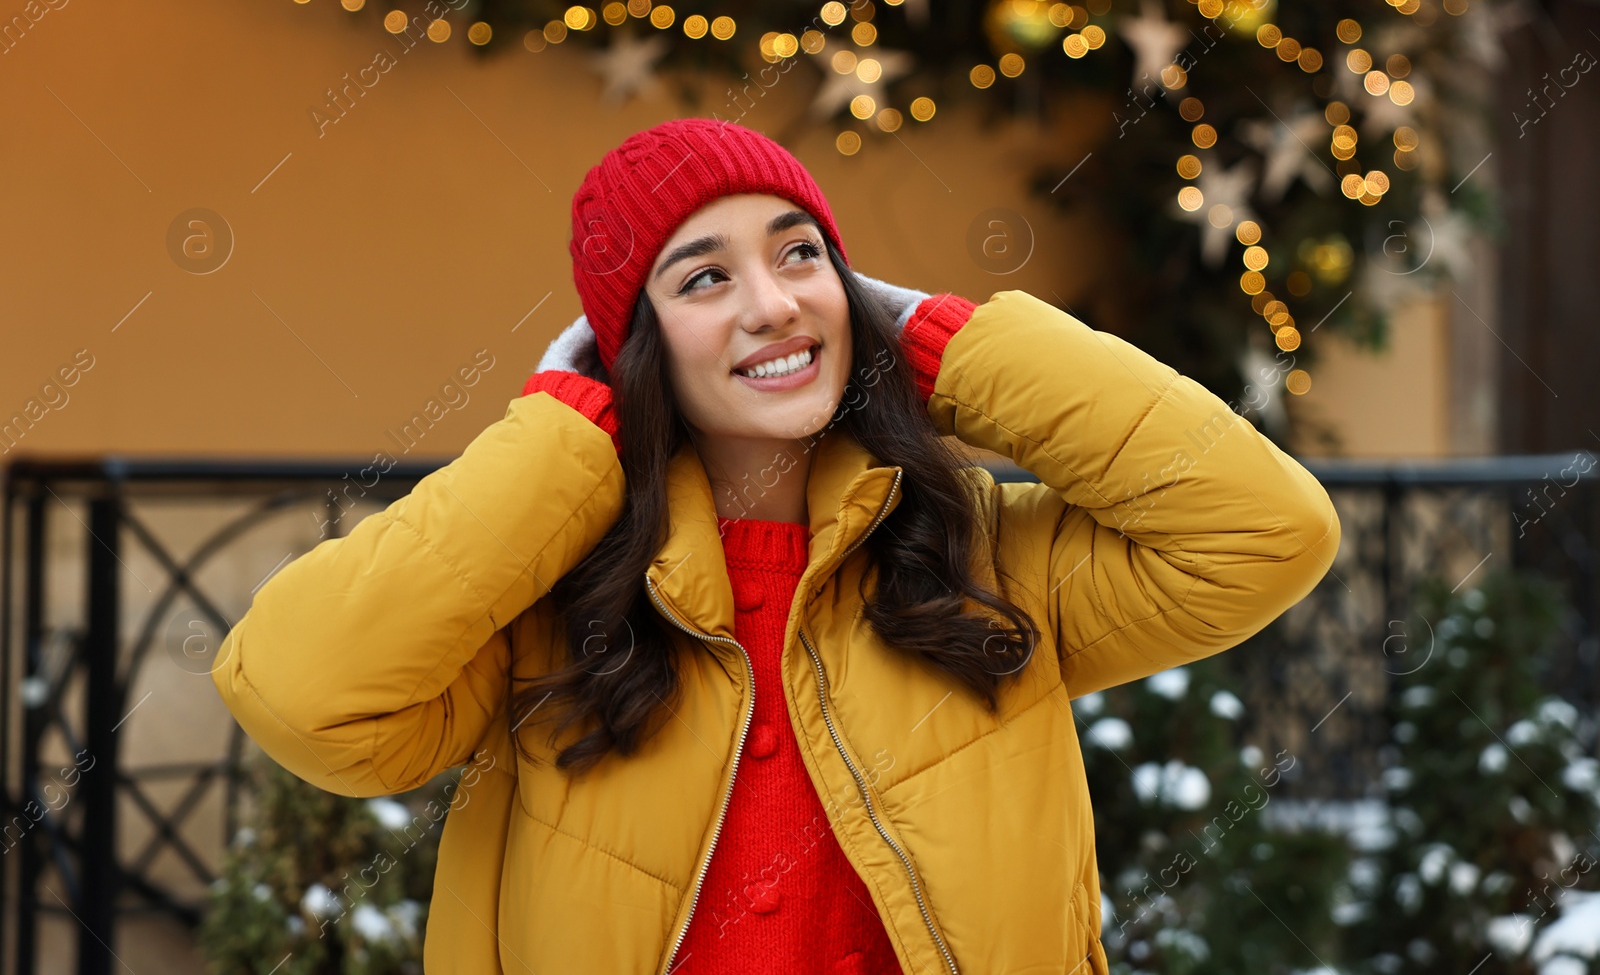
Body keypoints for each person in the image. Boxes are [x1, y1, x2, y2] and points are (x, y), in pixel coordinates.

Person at [211, 117, 1342, 975]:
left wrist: (945, 345)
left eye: (801, 256)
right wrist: (561, 436)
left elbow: (1266, 530)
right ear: (636, 345)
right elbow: (305, 694)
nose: (773, 304)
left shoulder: (984, 558)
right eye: (704, 276)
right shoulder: (546, 606)